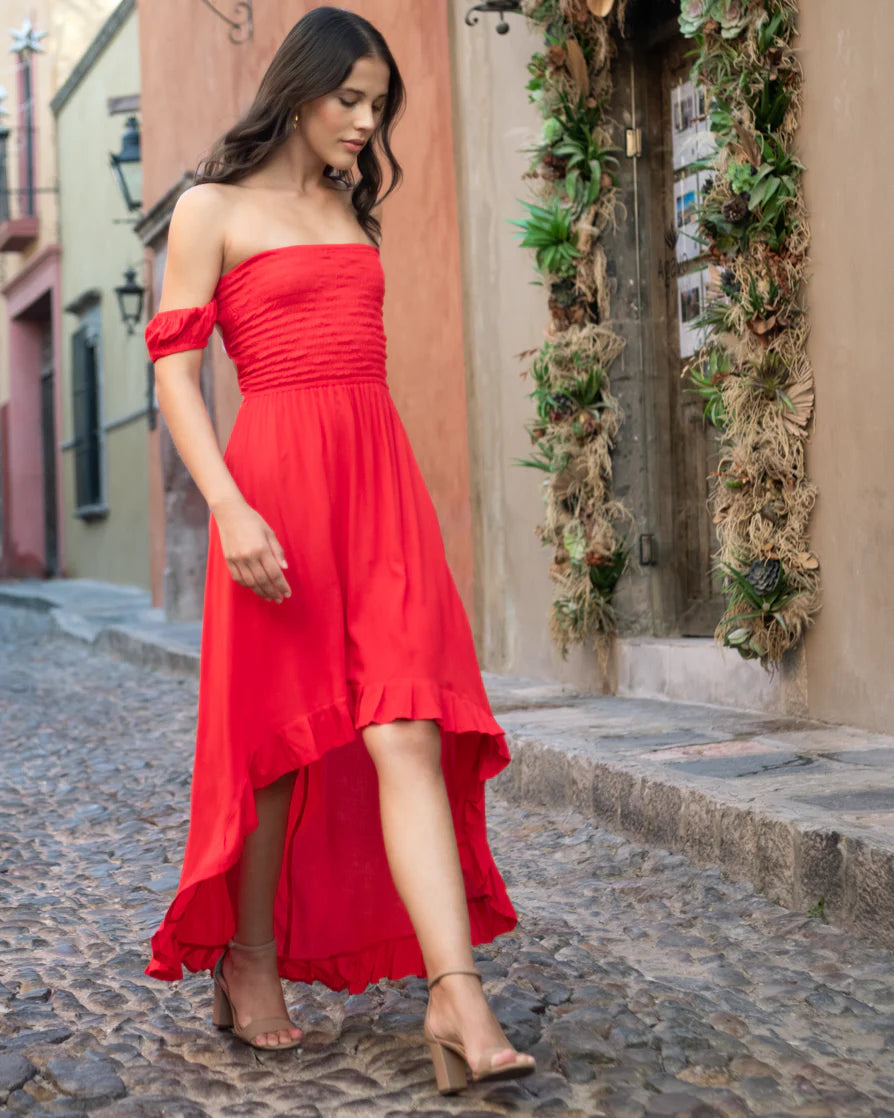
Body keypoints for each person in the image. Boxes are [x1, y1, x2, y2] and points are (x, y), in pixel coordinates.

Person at [142, 6, 535, 1097]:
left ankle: (456, 990)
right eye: (349, 99)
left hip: (379, 483)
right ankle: (250, 960)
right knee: (277, 746)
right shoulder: (210, 210)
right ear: (298, 90)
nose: (366, 122)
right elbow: (177, 371)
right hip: (273, 486)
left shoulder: (354, 210)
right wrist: (229, 506)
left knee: (407, 724)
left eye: (378, 105)